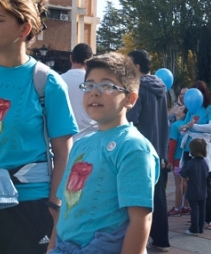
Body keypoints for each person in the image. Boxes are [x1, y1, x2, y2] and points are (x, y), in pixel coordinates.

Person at [50, 53, 160, 253]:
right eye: (89, 85)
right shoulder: (80, 145)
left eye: (107, 86)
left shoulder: (132, 147)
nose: (95, 92)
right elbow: (64, 210)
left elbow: (140, 218)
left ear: (131, 99)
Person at [0, 0, 78, 253]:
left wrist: (55, 206)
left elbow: (64, 153)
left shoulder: (47, 82)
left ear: (24, 29)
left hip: (30, 205)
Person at [126, 49, 170, 252]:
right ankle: (162, 239)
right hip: (158, 149)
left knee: (138, 199)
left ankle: (138, 240)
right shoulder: (161, 88)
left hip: (141, 149)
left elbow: (132, 118)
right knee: (158, 196)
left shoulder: (139, 88)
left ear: (136, 66)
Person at [180, 80, 211, 230]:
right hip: (190, 149)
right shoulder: (190, 109)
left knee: (205, 184)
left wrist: (193, 126)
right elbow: (185, 126)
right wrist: (183, 128)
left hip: (204, 151)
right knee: (192, 184)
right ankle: (197, 216)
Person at [61, 43, 95, 136]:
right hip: (90, 136)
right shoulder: (95, 83)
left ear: (71, 58)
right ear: (90, 60)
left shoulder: (58, 81)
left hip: (64, 139)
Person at [180, 138, 209, 236]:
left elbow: (183, 173)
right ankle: (200, 228)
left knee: (194, 210)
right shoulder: (205, 163)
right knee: (202, 210)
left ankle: (194, 228)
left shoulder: (190, 163)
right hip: (203, 190)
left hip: (193, 189)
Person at [166, 105, 190, 217]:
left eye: (180, 108)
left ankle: (177, 207)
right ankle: (185, 205)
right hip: (186, 156)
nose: (177, 109)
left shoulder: (175, 125)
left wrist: (169, 160)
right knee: (186, 182)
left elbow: (172, 144)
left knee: (178, 183)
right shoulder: (188, 125)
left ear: (183, 114)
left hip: (177, 158)